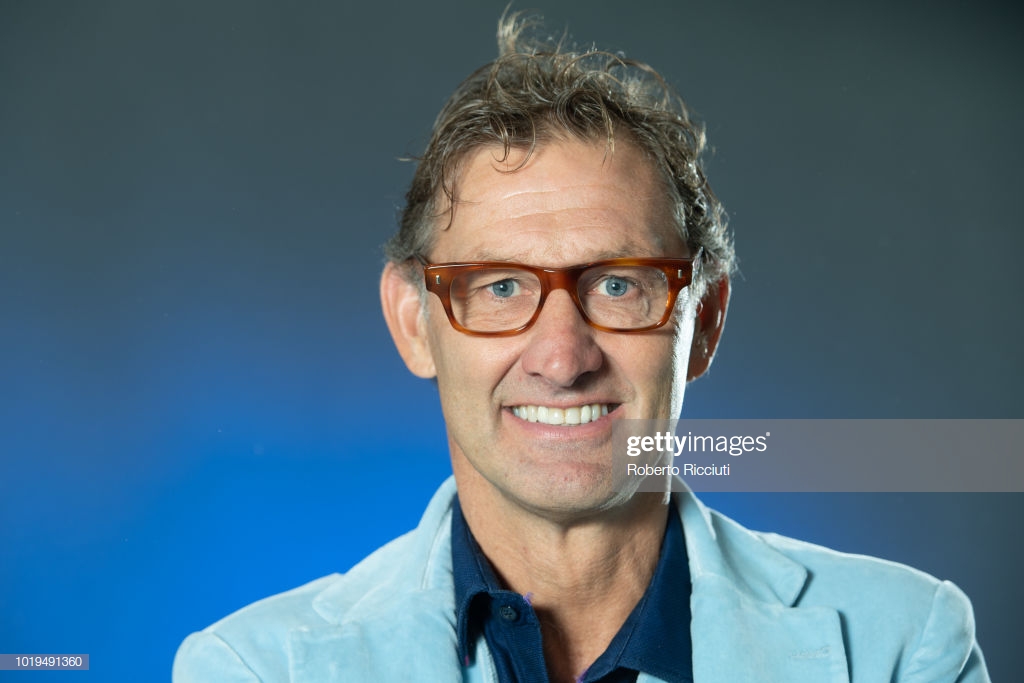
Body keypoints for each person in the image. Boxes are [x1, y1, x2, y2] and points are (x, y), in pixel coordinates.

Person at [173, 13, 989, 683]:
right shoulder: (252, 669)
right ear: (414, 321)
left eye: (619, 285)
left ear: (704, 323)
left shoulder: (902, 647)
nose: (562, 359)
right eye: (500, 286)